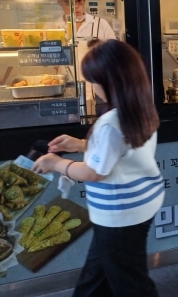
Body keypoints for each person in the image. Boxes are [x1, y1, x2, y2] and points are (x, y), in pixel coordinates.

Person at [32, 40, 163, 297]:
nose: (93, 87)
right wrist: (81, 144)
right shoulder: (139, 108)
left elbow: (94, 172)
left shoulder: (111, 122)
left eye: (94, 81)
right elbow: (121, 150)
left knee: (131, 285)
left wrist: (56, 163)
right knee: (97, 277)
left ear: (111, 82)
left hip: (120, 213)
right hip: (139, 203)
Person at [56, 0, 116, 100]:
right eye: (68, 2)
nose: (75, 6)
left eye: (79, 1)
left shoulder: (100, 24)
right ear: (59, 2)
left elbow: (114, 55)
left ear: (85, 0)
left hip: (96, 91)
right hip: (64, 91)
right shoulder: (52, 27)